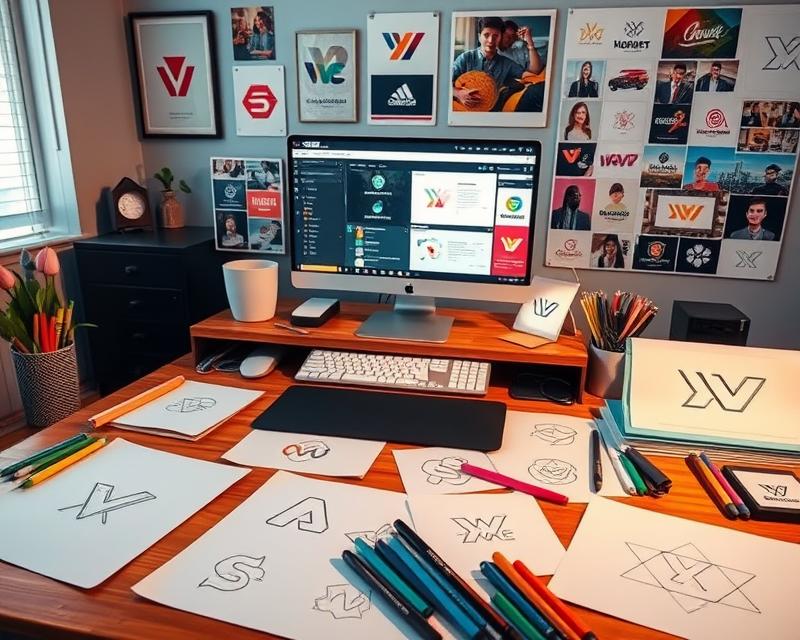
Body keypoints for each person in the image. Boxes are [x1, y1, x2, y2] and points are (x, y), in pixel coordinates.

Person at [451, 16, 542, 110]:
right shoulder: (466, 58)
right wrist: (458, 93)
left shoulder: (507, 64)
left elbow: (533, 72)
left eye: (495, 36)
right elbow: (445, 83)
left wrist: (530, 43)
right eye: (486, 35)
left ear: (500, 37)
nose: (491, 40)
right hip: (461, 109)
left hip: (491, 110)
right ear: (479, 37)